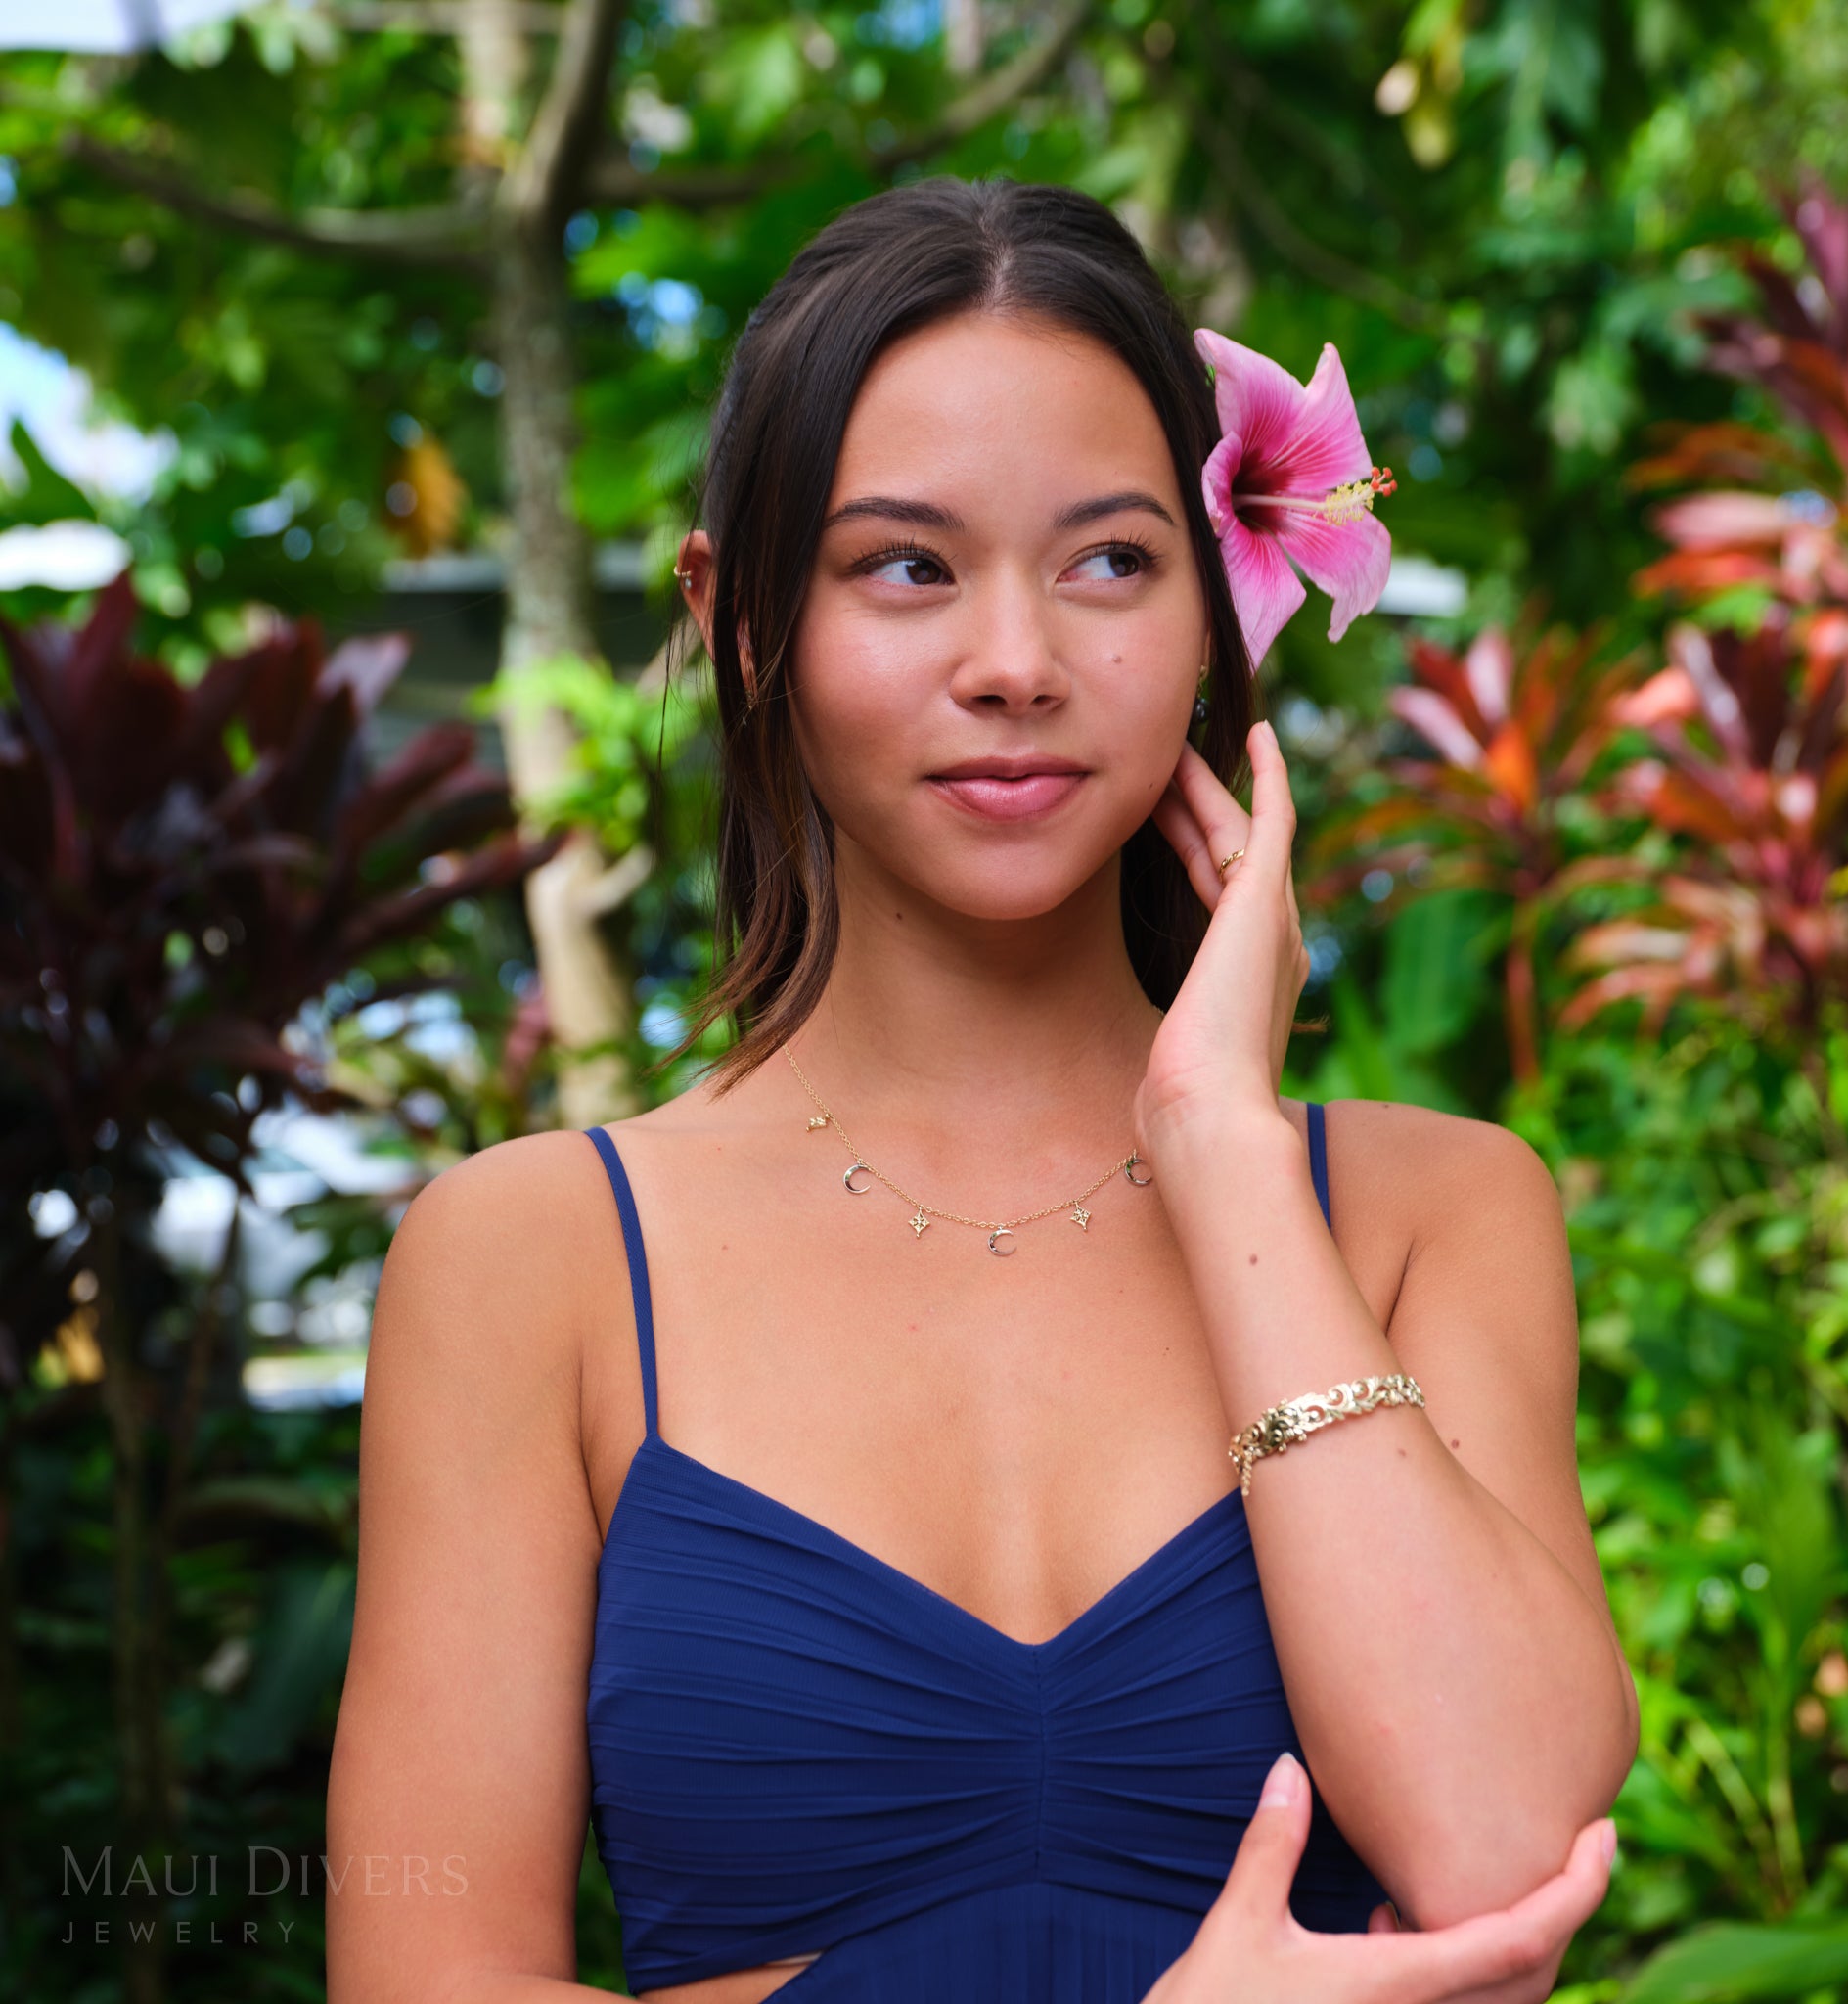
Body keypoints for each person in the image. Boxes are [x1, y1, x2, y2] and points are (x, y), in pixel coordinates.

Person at [326, 174, 1637, 2004]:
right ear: (741, 615)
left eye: (1110, 560)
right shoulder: (526, 1262)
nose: (1017, 665)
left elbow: (1505, 1854)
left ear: (1219, 612)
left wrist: (1225, 1153)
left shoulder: (1438, 1214)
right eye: (906, 567)